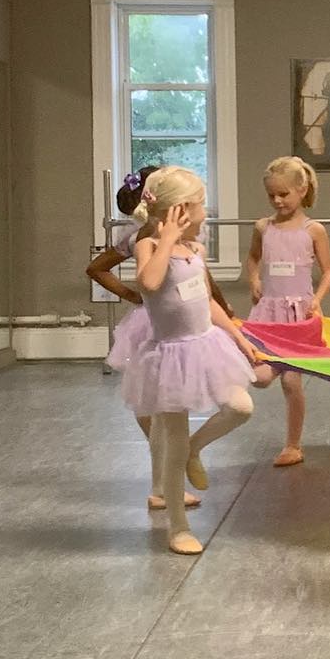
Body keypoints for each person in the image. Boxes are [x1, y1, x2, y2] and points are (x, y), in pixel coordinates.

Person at [120, 166, 265, 555]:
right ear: (181, 211)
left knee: (240, 406)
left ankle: (195, 450)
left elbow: (206, 302)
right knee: (172, 440)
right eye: (200, 205)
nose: (206, 213)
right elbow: (149, 284)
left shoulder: (195, 252)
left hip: (206, 345)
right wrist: (164, 238)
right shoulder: (149, 248)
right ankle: (177, 528)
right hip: (169, 356)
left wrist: (238, 337)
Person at [89, 165, 231, 513]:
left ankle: (166, 480)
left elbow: (203, 285)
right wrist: (130, 295)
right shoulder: (141, 240)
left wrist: (227, 313)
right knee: (156, 408)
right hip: (156, 327)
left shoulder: (187, 241)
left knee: (166, 412)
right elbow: (98, 268)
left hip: (182, 321)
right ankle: (164, 482)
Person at [247, 156, 330, 468]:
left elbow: (328, 272)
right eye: (272, 195)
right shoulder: (263, 227)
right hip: (269, 313)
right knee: (259, 378)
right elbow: (254, 258)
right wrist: (254, 279)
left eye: (283, 194)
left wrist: (317, 300)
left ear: (301, 190)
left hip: (298, 313)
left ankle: (293, 444)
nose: (277, 200)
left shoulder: (314, 230)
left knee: (291, 382)